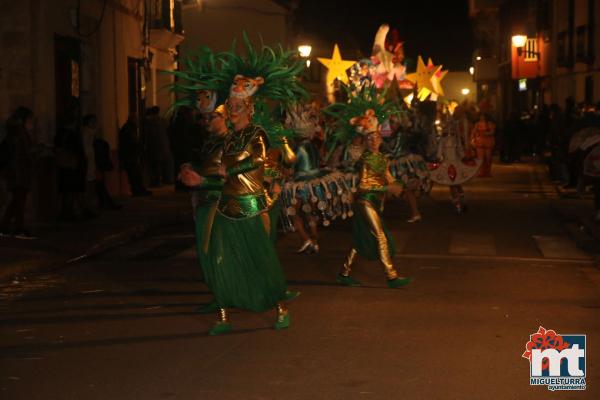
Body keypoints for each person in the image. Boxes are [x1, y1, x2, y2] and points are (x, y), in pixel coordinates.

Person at [179, 36, 306, 335]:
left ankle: (280, 307)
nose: (233, 109)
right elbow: (222, 174)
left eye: (239, 105)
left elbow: (258, 162)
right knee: (223, 259)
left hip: (250, 205)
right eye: (231, 104)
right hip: (226, 204)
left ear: (249, 107)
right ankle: (223, 315)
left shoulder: (256, 133)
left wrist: (230, 169)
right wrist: (201, 180)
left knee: (259, 260)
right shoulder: (230, 139)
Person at [335, 109, 411, 288]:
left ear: (381, 139)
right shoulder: (365, 159)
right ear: (365, 141)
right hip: (365, 201)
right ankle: (391, 276)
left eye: (376, 137)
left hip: (376, 203)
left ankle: (344, 273)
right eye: (369, 138)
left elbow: (390, 179)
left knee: (359, 239)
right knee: (380, 237)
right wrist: (387, 188)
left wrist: (403, 185)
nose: (373, 140)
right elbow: (363, 186)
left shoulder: (383, 158)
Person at [0, 107, 36, 239]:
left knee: (17, 201)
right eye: (30, 120)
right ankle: (18, 228)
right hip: (18, 172)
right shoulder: (18, 133)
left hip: (17, 171)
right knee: (19, 201)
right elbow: (21, 153)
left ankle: (6, 226)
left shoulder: (14, 132)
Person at [55, 104, 90, 220]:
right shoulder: (70, 135)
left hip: (65, 165)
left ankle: (69, 211)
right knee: (70, 190)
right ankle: (68, 212)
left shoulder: (61, 133)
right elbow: (75, 149)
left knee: (67, 190)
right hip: (71, 165)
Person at [119, 113, 151, 197]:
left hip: (131, 155)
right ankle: (137, 191)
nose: (138, 122)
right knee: (134, 175)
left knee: (136, 174)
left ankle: (139, 190)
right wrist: (139, 146)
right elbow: (131, 142)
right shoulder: (128, 129)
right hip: (130, 156)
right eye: (136, 120)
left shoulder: (129, 128)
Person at [144, 106, 173, 187]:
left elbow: (146, 134)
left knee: (154, 164)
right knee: (163, 164)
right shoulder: (163, 121)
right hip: (164, 145)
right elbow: (168, 132)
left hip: (153, 145)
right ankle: (165, 179)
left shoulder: (148, 121)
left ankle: (155, 181)